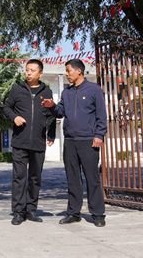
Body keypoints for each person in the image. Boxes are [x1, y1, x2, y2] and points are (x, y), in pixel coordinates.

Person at [42, 58, 108, 227]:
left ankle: (98, 213)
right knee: (72, 179)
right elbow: (60, 112)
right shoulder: (67, 92)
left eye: (68, 71)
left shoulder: (94, 90)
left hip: (88, 141)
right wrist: (51, 106)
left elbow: (101, 116)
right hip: (70, 141)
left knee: (92, 178)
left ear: (79, 71)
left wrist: (99, 135)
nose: (67, 74)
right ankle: (73, 212)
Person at [2, 59, 56, 225]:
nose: (28, 73)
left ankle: (31, 210)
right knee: (19, 177)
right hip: (20, 141)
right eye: (27, 70)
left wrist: (51, 134)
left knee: (35, 178)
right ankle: (18, 212)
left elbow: (51, 114)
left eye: (32, 70)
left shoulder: (46, 91)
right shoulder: (17, 90)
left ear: (40, 73)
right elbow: (5, 107)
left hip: (38, 142)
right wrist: (15, 117)